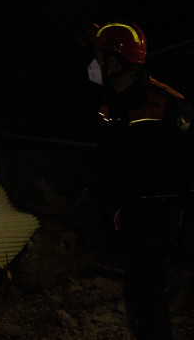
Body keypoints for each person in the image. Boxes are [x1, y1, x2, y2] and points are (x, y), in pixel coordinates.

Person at [82, 21, 193, 339]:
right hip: (130, 213)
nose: (94, 64)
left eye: (99, 57)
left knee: (149, 294)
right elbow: (110, 158)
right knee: (137, 292)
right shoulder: (112, 101)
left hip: (159, 216)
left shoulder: (164, 103)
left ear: (115, 61)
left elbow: (178, 168)